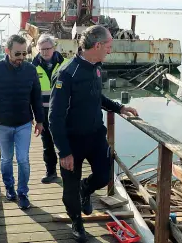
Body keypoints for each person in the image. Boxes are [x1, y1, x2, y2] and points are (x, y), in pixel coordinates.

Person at [49, 25, 138, 242]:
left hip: (96, 135)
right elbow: (54, 117)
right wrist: (64, 152)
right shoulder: (68, 73)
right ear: (97, 45)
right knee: (69, 191)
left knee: (103, 175)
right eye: (108, 45)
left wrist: (119, 108)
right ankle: (77, 223)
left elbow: (97, 97)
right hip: (72, 141)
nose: (110, 50)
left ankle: (86, 189)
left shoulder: (97, 67)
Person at [0, 34, 44, 210]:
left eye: (24, 54)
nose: (21, 58)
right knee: (7, 159)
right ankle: (9, 188)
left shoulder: (30, 70)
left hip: (24, 123)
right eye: (17, 54)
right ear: (7, 51)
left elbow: (36, 97)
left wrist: (40, 120)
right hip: (1, 124)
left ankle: (22, 193)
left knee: (23, 159)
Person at [32, 33, 68, 183]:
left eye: (47, 48)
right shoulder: (32, 67)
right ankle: (51, 172)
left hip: (63, 112)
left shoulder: (66, 64)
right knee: (47, 143)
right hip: (43, 112)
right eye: (42, 49)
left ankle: (68, 173)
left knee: (64, 142)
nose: (45, 52)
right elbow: (31, 93)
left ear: (54, 48)